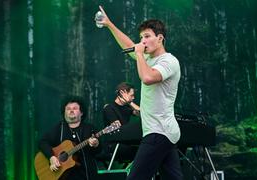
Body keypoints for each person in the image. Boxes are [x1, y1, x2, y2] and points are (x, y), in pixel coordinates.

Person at [96, 6, 183, 180]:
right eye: (141, 37)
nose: (142, 41)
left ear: (160, 38)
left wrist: (140, 55)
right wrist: (109, 24)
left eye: (147, 36)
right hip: (163, 132)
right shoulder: (149, 57)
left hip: (159, 132)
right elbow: (129, 44)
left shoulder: (169, 61)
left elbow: (148, 77)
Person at [38, 96, 101, 180]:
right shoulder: (59, 129)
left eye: (75, 108)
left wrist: (96, 144)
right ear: (64, 112)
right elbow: (42, 142)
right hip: (63, 177)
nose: (71, 110)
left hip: (86, 176)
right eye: (68, 109)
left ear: (81, 112)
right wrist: (51, 157)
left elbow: (100, 151)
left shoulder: (89, 129)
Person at [102, 82, 140, 162]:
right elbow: (117, 126)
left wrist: (130, 103)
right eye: (131, 95)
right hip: (112, 144)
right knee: (142, 152)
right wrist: (129, 102)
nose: (133, 98)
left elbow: (141, 113)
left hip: (125, 142)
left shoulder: (127, 108)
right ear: (122, 92)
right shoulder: (109, 108)